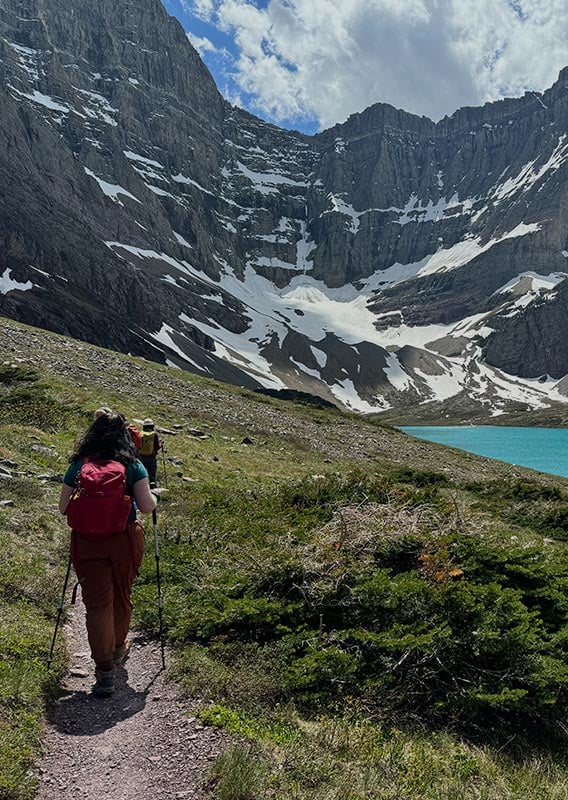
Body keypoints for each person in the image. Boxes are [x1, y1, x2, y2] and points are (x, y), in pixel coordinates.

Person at [59, 412, 156, 697]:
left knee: (97, 605)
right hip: (123, 540)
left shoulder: (78, 465)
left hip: (87, 543)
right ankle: (117, 647)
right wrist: (155, 496)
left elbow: (64, 508)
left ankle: (104, 673)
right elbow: (147, 507)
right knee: (121, 595)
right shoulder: (133, 465)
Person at [138, 417, 162, 487]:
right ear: (152, 426)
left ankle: (142, 487)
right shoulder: (154, 434)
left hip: (141, 457)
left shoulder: (140, 434)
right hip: (151, 457)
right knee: (152, 475)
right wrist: (161, 444)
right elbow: (157, 447)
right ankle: (153, 488)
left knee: (141, 475)